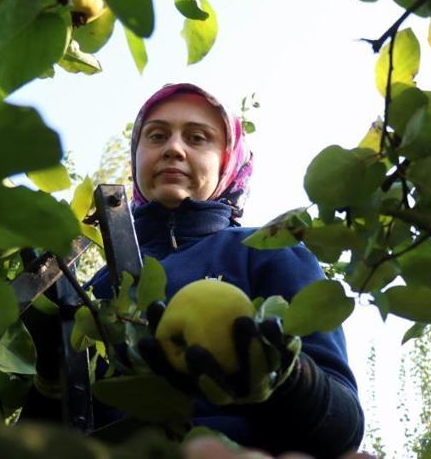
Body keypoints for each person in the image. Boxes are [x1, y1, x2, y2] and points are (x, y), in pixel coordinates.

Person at [86, 83, 365, 458]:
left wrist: (283, 378)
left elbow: (344, 428)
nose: (173, 149)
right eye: (156, 135)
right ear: (136, 156)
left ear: (227, 161)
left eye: (197, 137)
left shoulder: (267, 252)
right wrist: (48, 379)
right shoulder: (97, 286)